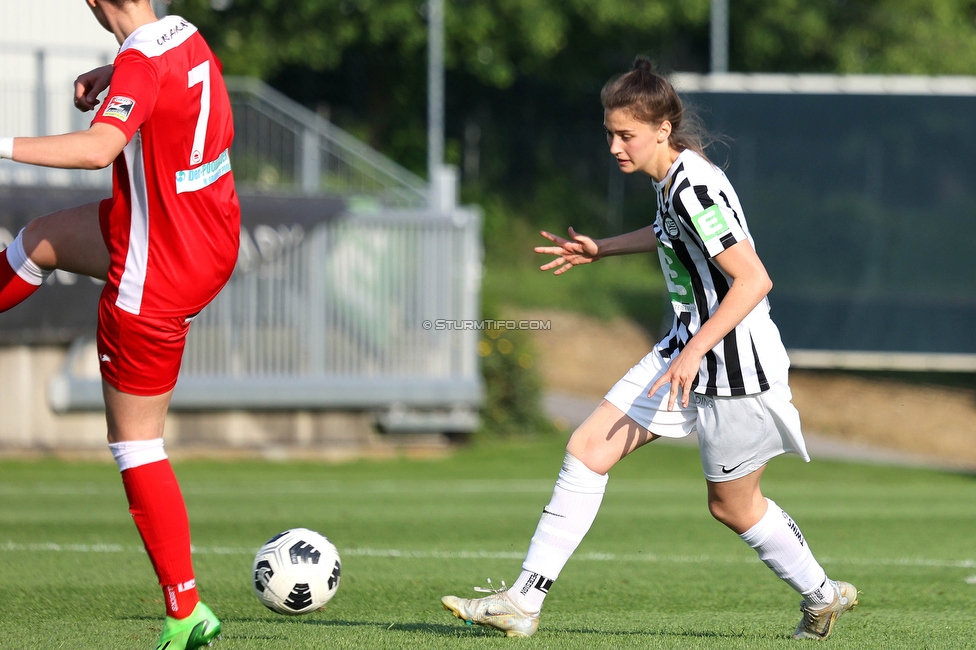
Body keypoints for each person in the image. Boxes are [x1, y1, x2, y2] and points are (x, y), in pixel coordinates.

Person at [441, 56, 858, 641]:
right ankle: (523, 601)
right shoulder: (673, 180)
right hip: (684, 349)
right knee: (587, 449)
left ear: (663, 130)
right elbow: (668, 233)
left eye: (625, 134)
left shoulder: (694, 187)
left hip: (734, 364)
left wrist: (695, 353)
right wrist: (601, 250)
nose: (614, 145)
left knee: (733, 507)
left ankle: (822, 593)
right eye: (609, 132)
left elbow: (754, 279)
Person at [0, 2, 239, 648]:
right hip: (207, 238)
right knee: (40, 241)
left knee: (136, 443)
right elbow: (160, 84)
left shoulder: (139, 62)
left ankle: (186, 611)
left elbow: (97, 148)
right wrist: (113, 75)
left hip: (157, 270)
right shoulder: (183, 34)